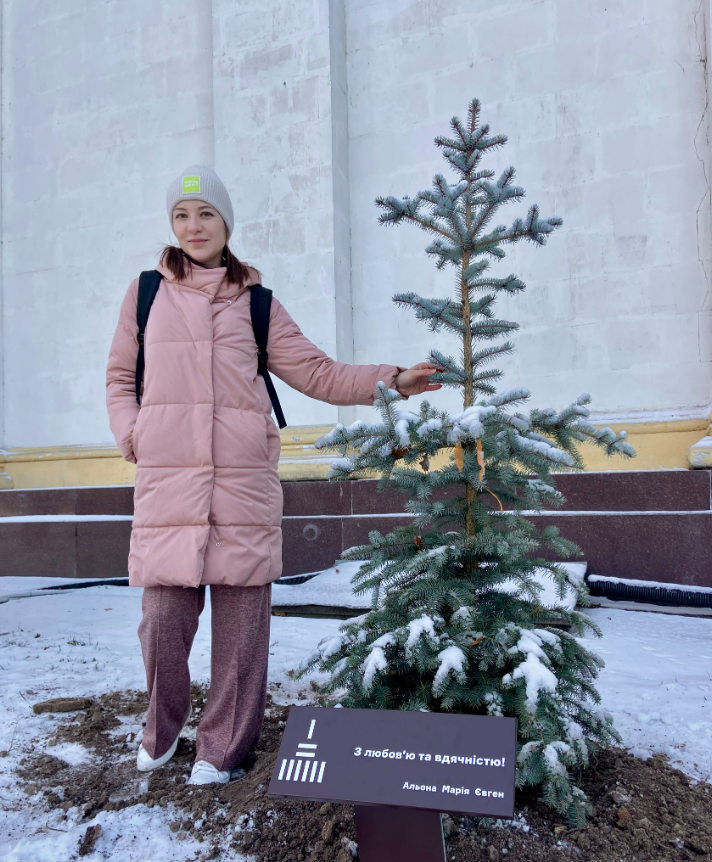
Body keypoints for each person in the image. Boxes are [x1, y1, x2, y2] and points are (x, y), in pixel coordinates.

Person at [105, 165, 441, 786]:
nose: (193, 226)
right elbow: (120, 378)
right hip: (170, 485)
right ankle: (163, 725)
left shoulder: (256, 303)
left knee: (240, 635)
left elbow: (317, 372)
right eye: (181, 216)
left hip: (241, 489)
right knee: (161, 623)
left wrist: (392, 381)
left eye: (205, 213)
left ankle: (222, 748)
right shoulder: (146, 294)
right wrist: (133, 434)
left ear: (226, 222)